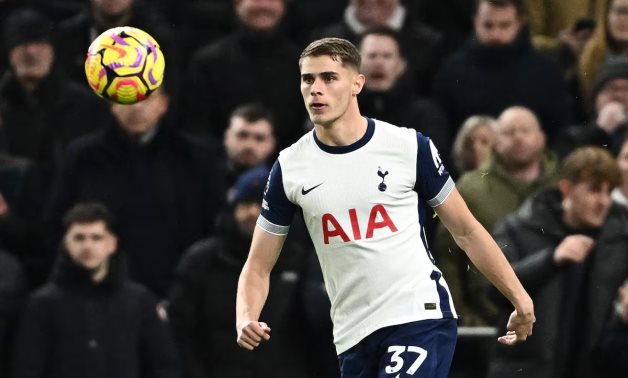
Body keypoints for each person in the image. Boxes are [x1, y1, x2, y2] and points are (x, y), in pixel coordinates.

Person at [235, 37, 535, 378]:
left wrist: (519, 297)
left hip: (418, 316)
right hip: (353, 333)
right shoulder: (290, 167)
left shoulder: (408, 147)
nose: (316, 89)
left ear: (356, 83)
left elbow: (466, 230)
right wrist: (246, 315)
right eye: (308, 79)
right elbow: (258, 266)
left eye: (329, 78)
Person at [46, 83, 225, 298]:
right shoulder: (82, 158)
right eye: (127, 97)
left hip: (179, 292)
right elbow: (57, 223)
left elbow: (211, 229)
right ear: (112, 103)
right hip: (96, 295)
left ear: (164, 104)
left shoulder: (195, 158)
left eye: (147, 97)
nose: (137, 107)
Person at [487, 147, 628, 378]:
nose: (603, 201)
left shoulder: (620, 239)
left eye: (608, 191)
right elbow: (494, 290)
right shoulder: (520, 228)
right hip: (527, 370)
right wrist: (551, 260)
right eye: (594, 190)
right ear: (567, 189)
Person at [168, 166, 317, 378]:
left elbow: (313, 334)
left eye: (262, 205)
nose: (253, 213)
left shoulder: (299, 260)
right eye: (245, 204)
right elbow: (181, 331)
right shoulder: (200, 261)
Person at [11, 202, 179, 378]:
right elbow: (27, 369)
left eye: (96, 237)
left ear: (112, 244)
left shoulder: (140, 301)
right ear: (65, 243)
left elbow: (163, 366)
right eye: (79, 238)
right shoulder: (42, 304)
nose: (87, 246)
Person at [434, 0, 575, 143]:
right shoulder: (453, 72)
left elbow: (560, 130)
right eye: (488, 25)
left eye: (504, 25)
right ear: (475, 21)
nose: (496, 34)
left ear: (519, 23)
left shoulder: (547, 72)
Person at [223, 103, 277, 187]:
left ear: (272, 143)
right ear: (227, 137)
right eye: (242, 135)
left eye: (259, 138)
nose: (249, 145)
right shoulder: (204, 176)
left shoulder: (281, 186)